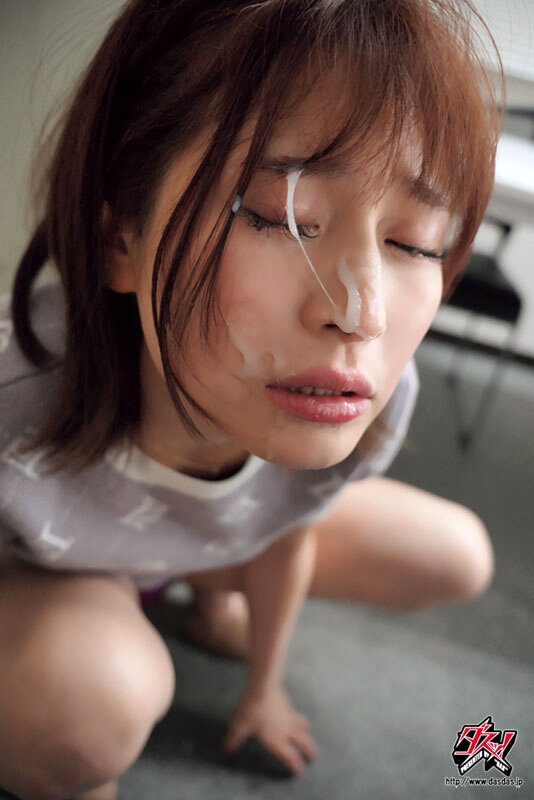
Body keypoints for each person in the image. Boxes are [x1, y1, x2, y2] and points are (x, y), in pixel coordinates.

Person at [0, 0, 502, 797]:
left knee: (457, 554)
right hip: (46, 561)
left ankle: (202, 589)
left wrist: (264, 691)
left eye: (413, 243)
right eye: (282, 219)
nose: (361, 315)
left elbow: (284, 525)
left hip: (196, 532)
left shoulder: (353, 389)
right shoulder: (12, 399)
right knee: (83, 704)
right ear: (120, 236)